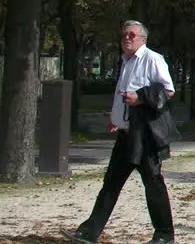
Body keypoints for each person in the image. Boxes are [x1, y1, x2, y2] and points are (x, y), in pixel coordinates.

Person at [65, 21, 179, 244]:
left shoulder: (152, 59)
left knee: (153, 184)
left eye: (132, 35)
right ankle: (89, 233)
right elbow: (122, 94)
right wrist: (115, 117)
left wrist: (141, 98)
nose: (127, 38)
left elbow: (169, 91)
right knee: (110, 184)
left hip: (145, 135)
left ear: (142, 39)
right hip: (126, 134)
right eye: (124, 35)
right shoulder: (126, 61)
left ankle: (165, 235)